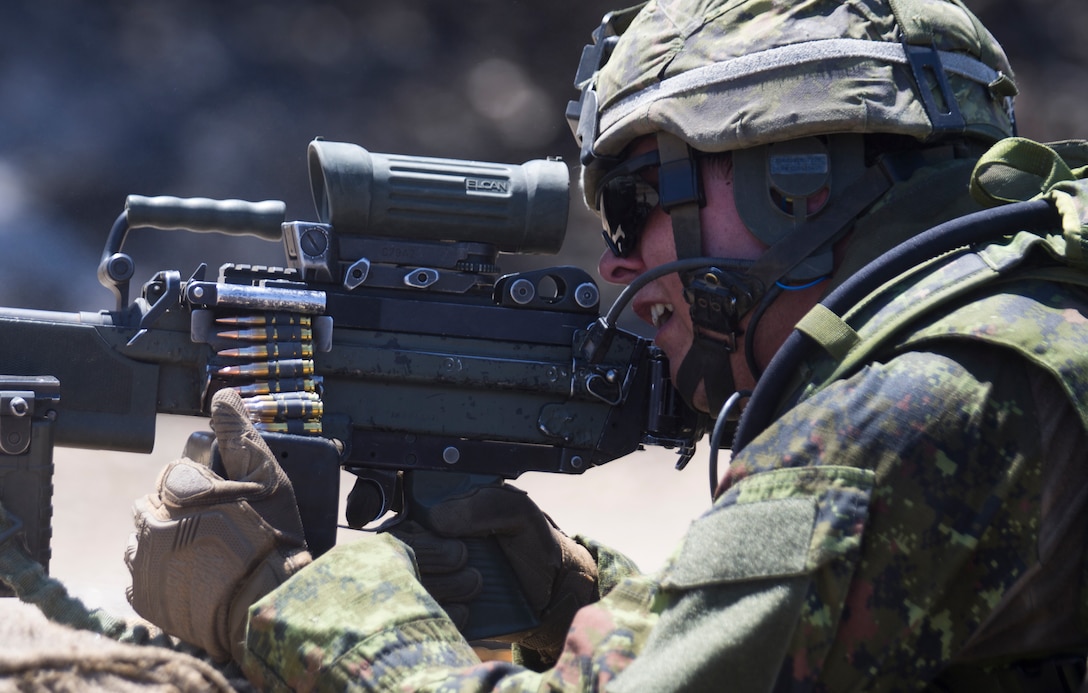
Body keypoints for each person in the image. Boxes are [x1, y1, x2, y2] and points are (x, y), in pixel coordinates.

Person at [10, 0, 1088, 690]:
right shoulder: (1026, 326)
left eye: (631, 204)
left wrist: (295, 605)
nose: (617, 266)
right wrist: (568, 594)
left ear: (794, 179)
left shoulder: (916, 404)